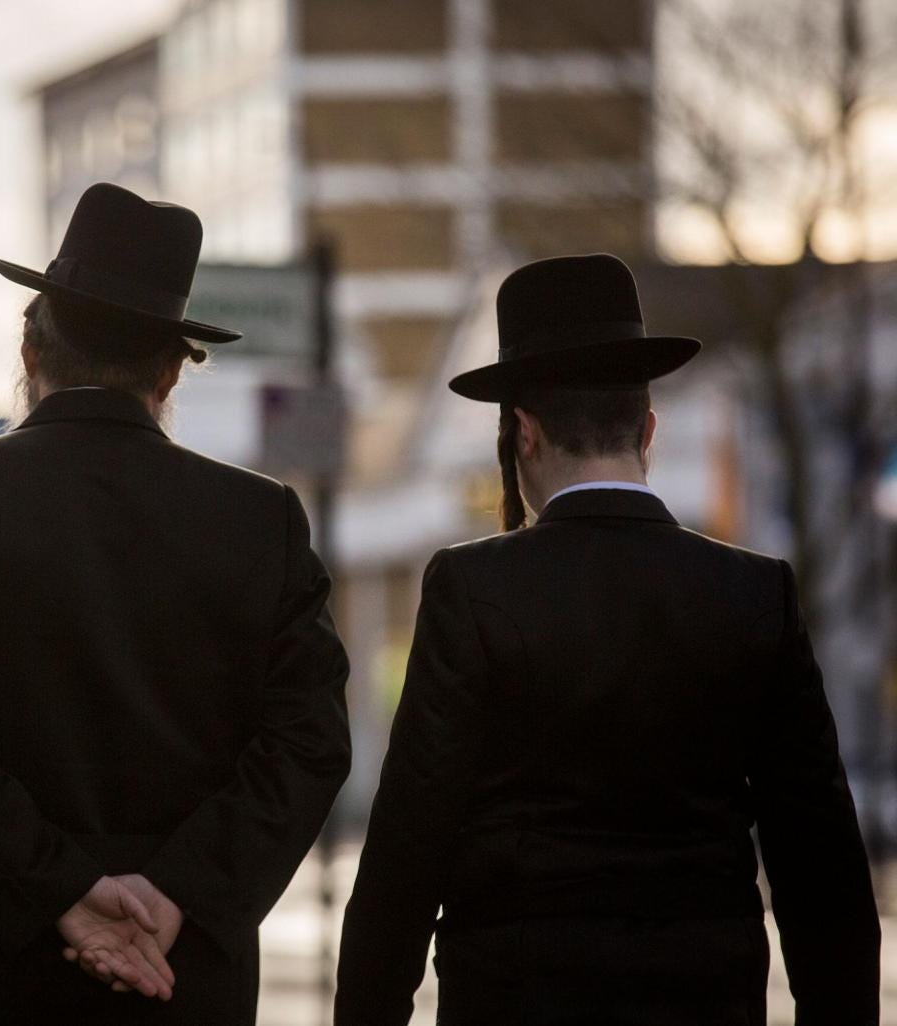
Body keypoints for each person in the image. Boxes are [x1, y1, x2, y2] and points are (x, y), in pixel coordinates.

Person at [335, 254, 880, 1026]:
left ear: (522, 432)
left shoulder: (473, 590)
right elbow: (820, 866)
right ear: (647, 429)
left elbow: (406, 854)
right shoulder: (752, 595)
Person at [0, 181, 351, 1024]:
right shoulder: (259, 520)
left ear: (30, 347)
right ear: (170, 371)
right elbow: (309, 742)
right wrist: (178, 892)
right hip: (179, 971)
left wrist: (59, 888)